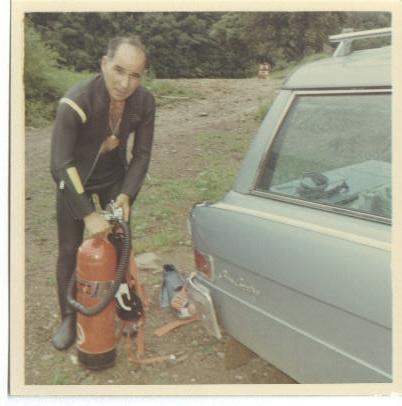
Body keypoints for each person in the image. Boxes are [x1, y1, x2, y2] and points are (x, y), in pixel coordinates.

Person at [50, 36, 155, 350]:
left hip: (113, 176)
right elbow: (59, 164)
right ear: (104, 63)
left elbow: (142, 155)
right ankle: (69, 316)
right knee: (69, 249)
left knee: (121, 242)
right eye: (119, 70)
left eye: (135, 75)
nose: (125, 83)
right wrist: (88, 213)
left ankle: (120, 301)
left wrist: (126, 195)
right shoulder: (76, 101)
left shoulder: (144, 102)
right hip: (75, 177)